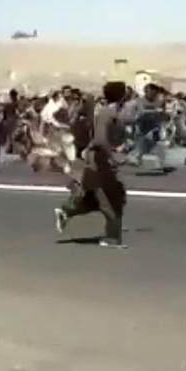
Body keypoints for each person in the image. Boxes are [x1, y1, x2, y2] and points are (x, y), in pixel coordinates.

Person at [55, 81, 129, 248]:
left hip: (101, 159)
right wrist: (113, 155)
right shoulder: (105, 113)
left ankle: (67, 211)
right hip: (99, 161)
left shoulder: (114, 112)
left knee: (105, 197)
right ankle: (111, 237)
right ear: (122, 94)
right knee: (109, 199)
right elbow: (101, 140)